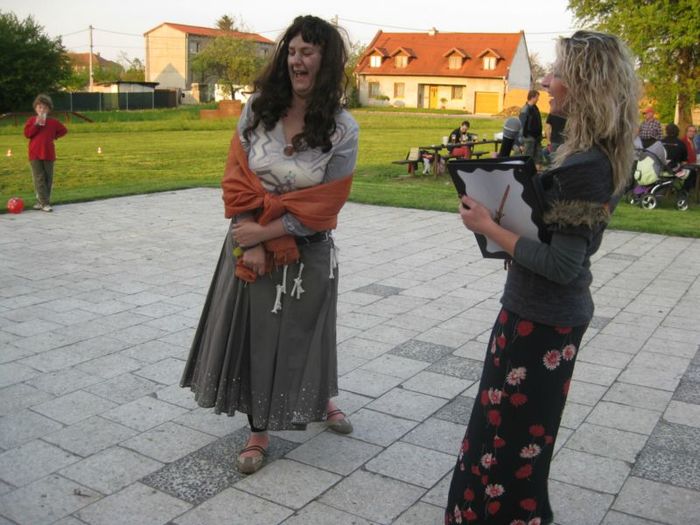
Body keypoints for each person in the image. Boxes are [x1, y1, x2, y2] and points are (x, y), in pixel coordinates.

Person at [446, 30, 638, 525]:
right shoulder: (590, 154)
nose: (548, 82)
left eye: (557, 74)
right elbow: (566, 244)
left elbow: (563, 265)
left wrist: (490, 227)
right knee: (516, 436)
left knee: (509, 443)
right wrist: (517, 233)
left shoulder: (585, 166)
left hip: (542, 321)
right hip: (538, 312)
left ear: (584, 84)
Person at [180, 15, 359, 475]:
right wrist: (250, 237)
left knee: (308, 333)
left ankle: (320, 398)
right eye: (292, 51)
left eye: (308, 52)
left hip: (307, 249)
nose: (297, 60)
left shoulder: (343, 129)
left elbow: (326, 203)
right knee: (257, 339)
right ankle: (258, 431)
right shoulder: (257, 110)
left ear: (326, 61)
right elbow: (236, 178)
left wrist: (265, 233)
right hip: (250, 245)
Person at [23, 94, 68, 212]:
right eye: (40, 107)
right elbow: (27, 134)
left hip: (48, 153)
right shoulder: (31, 120)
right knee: (39, 178)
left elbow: (64, 130)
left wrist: (54, 136)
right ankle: (45, 203)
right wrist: (36, 125)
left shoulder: (53, 122)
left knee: (48, 179)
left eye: (45, 108)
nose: (42, 110)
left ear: (49, 109)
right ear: (35, 108)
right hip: (35, 153)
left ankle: (41, 201)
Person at [519, 89, 543, 163]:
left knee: (538, 160)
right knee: (528, 160)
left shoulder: (535, 108)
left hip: (537, 138)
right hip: (528, 139)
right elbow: (521, 126)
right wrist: (521, 143)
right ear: (532, 97)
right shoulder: (525, 109)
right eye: (537, 97)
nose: (538, 99)